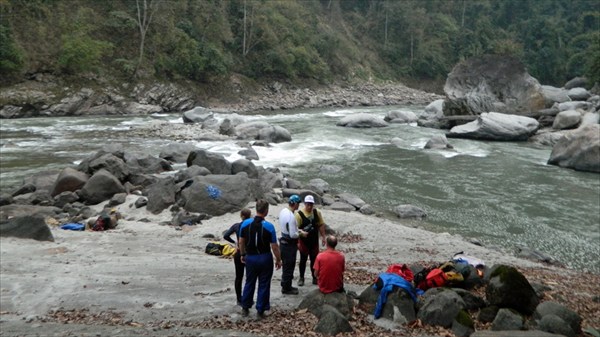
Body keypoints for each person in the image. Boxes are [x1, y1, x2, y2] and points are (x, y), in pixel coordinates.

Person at [238, 199, 282, 318]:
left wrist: (242, 254)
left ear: (256, 209)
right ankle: (260, 309)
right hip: (264, 257)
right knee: (264, 283)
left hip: (251, 257)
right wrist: (278, 259)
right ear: (266, 211)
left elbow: (241, 241)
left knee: (249, 282)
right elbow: (274, 246)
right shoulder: (269, 226)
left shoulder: (245, 224)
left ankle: (245, 307)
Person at [295, 194, 327, 286]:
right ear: (305, 204)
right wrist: (297, 241)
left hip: (314, 241)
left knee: (314, 260)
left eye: (311, 204)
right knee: (303, 260)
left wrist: (323, 237)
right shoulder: (299, 215)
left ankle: (314, 277)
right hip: (304, 241)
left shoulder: (317, 213)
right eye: (308, 204)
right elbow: (295, 229)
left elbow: (321, 225)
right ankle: (301, 278)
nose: (309, 206)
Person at [222, 208, 252, 306]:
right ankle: (248, 298)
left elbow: (226, 235)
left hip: (238, 252)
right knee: (249, 277)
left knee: (238, 277)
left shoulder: (236, 226)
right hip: (249, 253)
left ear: (241, 216)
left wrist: (234, 242)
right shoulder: (251, 226)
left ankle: (239, 299)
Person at [278, 194, 301, 295]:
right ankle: (287, 288)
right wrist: (300, 233)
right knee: (289, 266)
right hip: (289, 244)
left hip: (283, 241)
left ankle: (285, 285)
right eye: (298, 203)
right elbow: (293, 235)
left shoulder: (283, 211)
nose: (299, 205)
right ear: (295, 204)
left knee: (286, 265)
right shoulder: (291, 216)